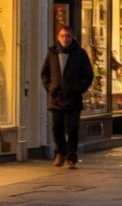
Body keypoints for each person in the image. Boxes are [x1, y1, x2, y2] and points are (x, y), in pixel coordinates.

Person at [40, 25, 93, 168]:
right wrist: (50, 88)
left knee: (73, 128)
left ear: (72, 37)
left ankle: (72, 157)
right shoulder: (52, 53)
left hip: (73, 97)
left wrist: (78, 88)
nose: (65, 39)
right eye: (63, 36)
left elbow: (88, 75)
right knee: (56, 127)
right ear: (58, 37)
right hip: (56, 97)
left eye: (68, 36)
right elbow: (44, 73)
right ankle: (60, 153)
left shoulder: (80, 54)